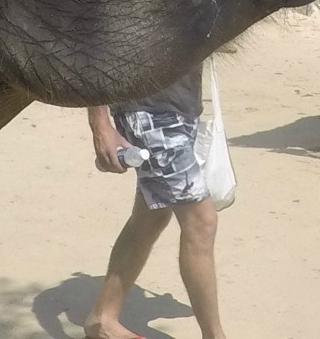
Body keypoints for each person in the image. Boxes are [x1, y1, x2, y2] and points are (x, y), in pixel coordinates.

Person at [84, 65, 227, 339]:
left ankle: (102, 319)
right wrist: (99, 122)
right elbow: (90, 35)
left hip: (178, 109)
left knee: (151, 215)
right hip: (151, 114)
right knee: (201, 221)